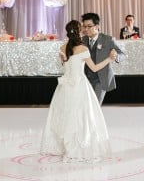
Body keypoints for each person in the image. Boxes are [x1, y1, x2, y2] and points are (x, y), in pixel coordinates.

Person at [40, 20, 113, 163]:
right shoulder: (83, 49)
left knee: (66, 115)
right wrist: (109, 59)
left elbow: (64, 64)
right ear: (80, 31)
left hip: (65, 87)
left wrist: (62, 59)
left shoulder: (62, 47)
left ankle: (67, 146)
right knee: (81, 117)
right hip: (79, 85)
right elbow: (95, 68)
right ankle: (78, 146)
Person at [82, 13, 126, 105]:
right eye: (84, 26)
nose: (86, 29)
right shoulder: (83, 40)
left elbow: (123, 54)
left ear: (97, 26)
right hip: (85, 79)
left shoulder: (107, 39)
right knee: (87, 106)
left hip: (101, 79)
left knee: (95, 106)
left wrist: (115, 56)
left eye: (89, 26)